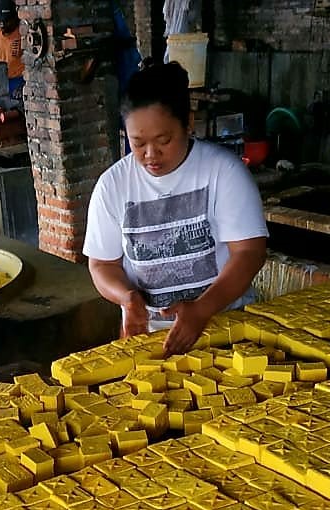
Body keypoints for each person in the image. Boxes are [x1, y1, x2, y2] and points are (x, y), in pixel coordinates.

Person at [83, 62, 267, 356]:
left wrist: (202, 309)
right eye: (137, 143)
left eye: (163, 140)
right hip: (151, 338)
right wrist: (127, 298)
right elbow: (102, 265)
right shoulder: (112, 185)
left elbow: (250, 251)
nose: (150, 155)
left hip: (228, 330)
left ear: (188, 123)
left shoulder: (223, 171)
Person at [0, 5, 25, 98]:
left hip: (20, 80)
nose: (3, 25)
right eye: (1, 22)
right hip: (3, 81)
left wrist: (24, 85)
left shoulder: (22, 34)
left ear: (14, 19)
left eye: (6, 21)